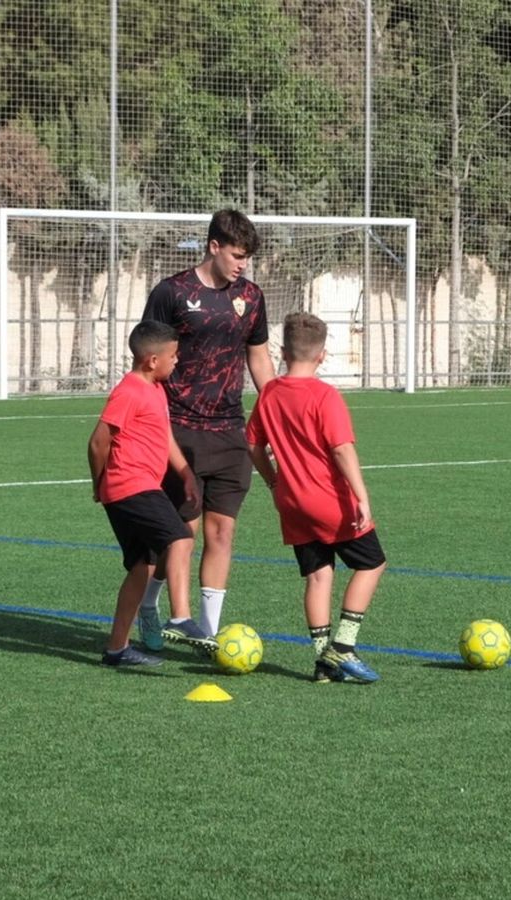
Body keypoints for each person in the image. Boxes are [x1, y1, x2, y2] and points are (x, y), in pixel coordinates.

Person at [137, 209, 275, 650]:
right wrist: (147, 420)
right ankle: (148, 607)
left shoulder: (251, 296)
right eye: (236, 255)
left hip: (230, 432)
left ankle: (210, 635)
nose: (242, 265)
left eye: (247, 257)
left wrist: (277, 416)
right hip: (178, 429)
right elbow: (146, 360)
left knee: (222, 533)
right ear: (214, 246)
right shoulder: (172, 292)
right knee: (184, 533)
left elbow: (259, 358)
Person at [245, 312, 385, 684]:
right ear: (322, 355)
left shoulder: (269, 394)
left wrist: (274, 483)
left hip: (291, 502)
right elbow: (341, 449)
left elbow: (253, 446)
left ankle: (323, 664)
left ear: (282, 352)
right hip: (328, 500)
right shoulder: (325, 395)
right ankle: (344, 645)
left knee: (318, 576)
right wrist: (361, 496)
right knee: (372, 564)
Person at [86, 321, 203, 667]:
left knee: (142, 566)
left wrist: (185, 472)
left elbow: (164, 437)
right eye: (173, 355)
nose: (177, 360)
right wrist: (99, 482)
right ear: (152, 360)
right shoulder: (129, 391)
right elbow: (98, 442)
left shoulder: (156, 389)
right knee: (180, 538)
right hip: (132, 485)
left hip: (134, 487)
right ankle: (180, 617)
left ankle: (116, 649)